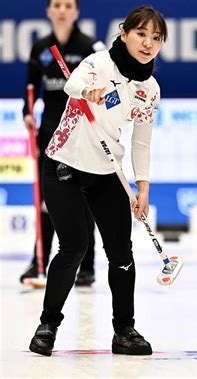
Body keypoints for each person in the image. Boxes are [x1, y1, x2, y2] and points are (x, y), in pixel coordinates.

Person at [28, 5, 166, 356]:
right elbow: (74, 82)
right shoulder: (98, 62)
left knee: (121, 252)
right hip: (65, 165)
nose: (148, 43)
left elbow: (141, 141)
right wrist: (86, 93)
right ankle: (48, 325)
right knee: (74, 246)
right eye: (141, 34)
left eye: (156, 38)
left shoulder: (149, 89)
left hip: (107, 171)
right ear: (124, 33)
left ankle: (125, 331)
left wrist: (143, 185)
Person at [20, 0, 105, 287]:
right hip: (48, 130)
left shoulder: (91, 46)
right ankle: (38, 262)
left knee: (83, 198)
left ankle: (88, 267)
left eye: (68, 5)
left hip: (80, 130)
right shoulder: (40, 47)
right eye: (56, 5)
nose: (62, 10)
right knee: (50, 198)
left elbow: (104, 84)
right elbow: (31, 87)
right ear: (48, 11)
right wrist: (27, 114)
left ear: (76, 12)